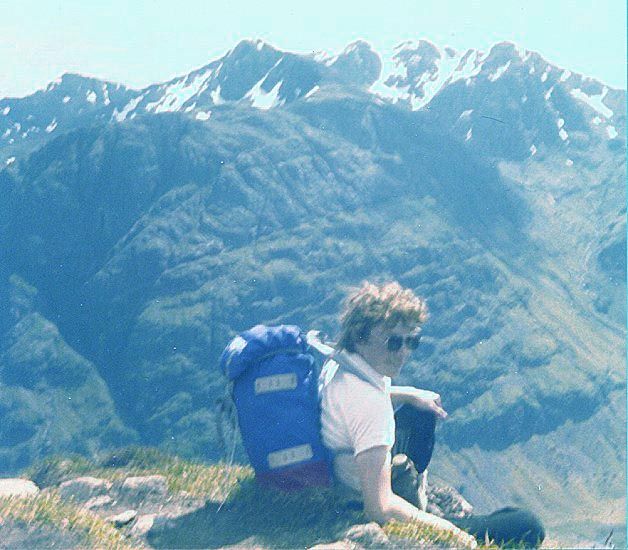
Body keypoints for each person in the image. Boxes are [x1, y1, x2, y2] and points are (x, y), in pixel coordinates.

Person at [319, 280, 476, 544]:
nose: (404, 352)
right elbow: (379, 507)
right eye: (393, 342)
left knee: (421, 411)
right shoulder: (371, 404)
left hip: (341, 465)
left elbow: (355, 404)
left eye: (411, 341)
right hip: (358, 490)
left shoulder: (340, 364)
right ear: (361, 337)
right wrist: (455, 536)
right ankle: (417, 499)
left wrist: (409, 393)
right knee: (521, 524)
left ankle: (414, 490)